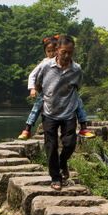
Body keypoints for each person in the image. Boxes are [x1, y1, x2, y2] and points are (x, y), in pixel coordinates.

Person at [17, 35, 94, 140]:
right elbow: (33, 75)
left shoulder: (75, 68)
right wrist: (32, 88)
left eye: (53, 51)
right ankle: (27, 128)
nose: (51, 54)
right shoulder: (45, 64)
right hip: (47, 94)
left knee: (78, 102)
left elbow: (78, 85)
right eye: (49, 51)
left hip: (65, 98)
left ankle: (84, 127)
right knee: (36, 108)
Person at [33, 34, 85, 190]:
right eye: (64, 52)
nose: (67, 56)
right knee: (51, 145)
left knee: (70, 144)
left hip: (68, 112)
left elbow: (77, 87)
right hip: (49, 112)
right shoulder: (46, 67)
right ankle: (55, 177)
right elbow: (38, 84)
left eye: (70, 52)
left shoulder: (76, 69)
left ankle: (63, 163)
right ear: (57, 50)